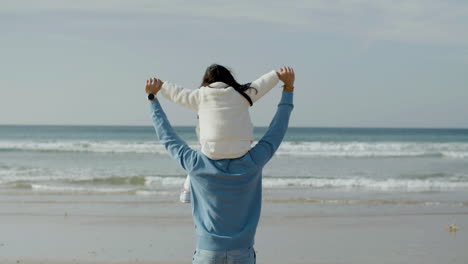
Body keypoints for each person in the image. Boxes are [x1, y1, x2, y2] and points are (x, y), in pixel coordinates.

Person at [145, 67, 295, 263]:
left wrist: (152, 99)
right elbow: (277, 130)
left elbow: (167, 137)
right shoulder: (253, 161)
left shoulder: (196, 164)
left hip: (207, 254)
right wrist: (288, 89)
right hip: (242, 252)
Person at [156, 65, 280, 203]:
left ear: (207, 81)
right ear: (229, 79)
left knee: (197, 159)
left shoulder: (200, 95)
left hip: (212, 151)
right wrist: (276, 75)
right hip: (241, 149)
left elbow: (178, 93)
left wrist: (162, 86)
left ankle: (187, 190)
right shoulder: (242, 93)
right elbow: (261, 84)